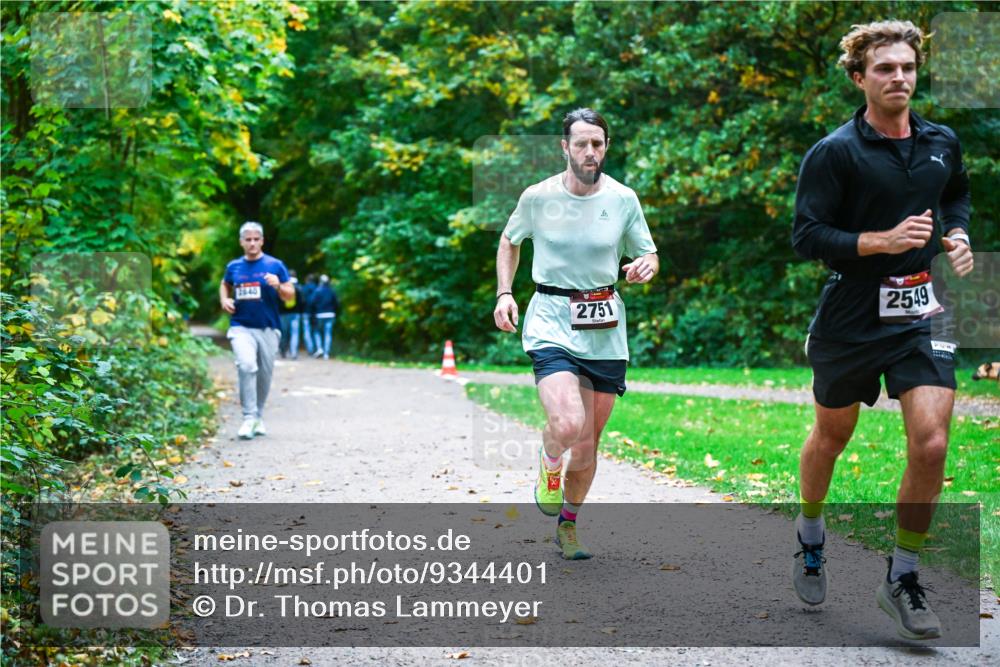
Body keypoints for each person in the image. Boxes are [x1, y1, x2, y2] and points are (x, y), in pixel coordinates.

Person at [790, 20, 973, 640]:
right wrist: (879, 241)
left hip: (921, 310)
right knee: (831, 435)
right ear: (859, 77)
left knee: (931, 443)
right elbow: (807, 235)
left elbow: (955, 195)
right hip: (852, 315)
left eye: (908, 67)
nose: (900, 78)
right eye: (886, 69)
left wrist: (958, 235)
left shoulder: (941, 141)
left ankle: (903, 576)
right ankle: (811, 530)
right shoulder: (835, 151)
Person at [493, 108, 658, 560]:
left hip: (604, 326)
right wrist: (505, 292)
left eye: (598, 144)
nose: (590, 152)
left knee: (586, 445)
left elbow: (648, 251)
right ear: (564, 147)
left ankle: (568, 525)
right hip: (550, 317)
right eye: (581, 143)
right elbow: (510, 241)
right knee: (567, 424)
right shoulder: (538, 197)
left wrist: (646, 265)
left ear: (606, 147)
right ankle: (549, 461)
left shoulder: (623, 198)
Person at [219, 222, 295, 439]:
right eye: (248, 239)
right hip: (241, 326)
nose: (252, 243)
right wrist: (224, 299)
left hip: (268, 328)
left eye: (256, 239)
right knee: (246, 365)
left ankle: (258, 416)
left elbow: (290, 295)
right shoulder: (234, 266)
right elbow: (225, 284)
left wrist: (279, 285)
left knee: (264, 375)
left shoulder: (275, 265)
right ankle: (248, 417)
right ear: (241, 242)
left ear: (262, 241)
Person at [308, 275, 340, 360]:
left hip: (320, 315)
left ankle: (319, 348)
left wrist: (313, 312)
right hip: (330, 314)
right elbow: (337, 303)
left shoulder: (317, 291)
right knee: (328, 333)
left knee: (317, 332)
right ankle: (326, 353)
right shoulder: (332, 291)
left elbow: (311, 302)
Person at [278, 270, 302, 359]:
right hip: (295, 314)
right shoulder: (298, 287)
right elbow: (302, 301)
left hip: (283, 314)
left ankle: (283, 351)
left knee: (284, 333)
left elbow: (278, 300)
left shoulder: (283, 286)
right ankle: (294, 353)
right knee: (295, 333)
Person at [300, 274, 318, 356]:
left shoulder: (304, 288)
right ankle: (317, 348)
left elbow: (301, 301)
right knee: (315, 331)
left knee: (307, 331)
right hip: (315, 313)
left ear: (307, 280)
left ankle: (310, 349)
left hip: (305, 312)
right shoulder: (317, 288)